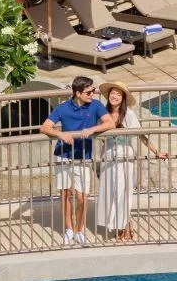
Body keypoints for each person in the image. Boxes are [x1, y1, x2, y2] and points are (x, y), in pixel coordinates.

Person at [39, 76, 114, 246]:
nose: (92, 94)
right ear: (77, 93)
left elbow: (110, 123)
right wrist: (60, 134)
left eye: (93, 90)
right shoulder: (63, 108)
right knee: (65, 194)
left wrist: (93, 128)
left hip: (84, 157)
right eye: (88, 92)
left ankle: (79, 229)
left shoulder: (95, 105)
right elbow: (44, 127)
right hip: (63, 155)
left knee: (82, 197)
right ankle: (69, 229)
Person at [95, 82, 168, 241]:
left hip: (125, 157)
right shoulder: (103, 113)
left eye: (118, 94)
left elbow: (141, 135)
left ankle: (127, 226)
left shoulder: (129, 114)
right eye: (112, 93)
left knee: (123, 192)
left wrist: (156, 151)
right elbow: (98, 135)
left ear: (123, 98)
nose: (114, 96)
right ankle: (118, 226)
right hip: (108, 156)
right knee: (111, 192)